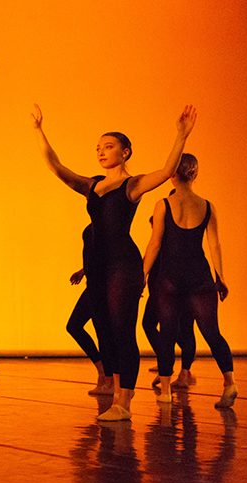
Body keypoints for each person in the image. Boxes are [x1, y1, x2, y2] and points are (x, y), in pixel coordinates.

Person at [31, 104, 196, 421]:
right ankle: (117, 395)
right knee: (104, 330)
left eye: (108, 147)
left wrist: (181, 135)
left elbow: (165, 171)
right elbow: (56, 166)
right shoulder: (92, 185)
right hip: (97, 266)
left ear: (125, 152)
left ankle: (125, 399)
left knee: (122, 330)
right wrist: (39, 130)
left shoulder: (131, 185)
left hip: (123, 264)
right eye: (98, 148)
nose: (101, 152)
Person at [142, 153, 237, 407]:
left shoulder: (163, 204)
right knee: (212, 332)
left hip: (170, 277)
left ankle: (165, 390)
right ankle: (229, 382)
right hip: (200, 276)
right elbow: (214, 245)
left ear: (172, 174)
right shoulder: (207, 206)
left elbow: (155, 244)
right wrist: (220, 277)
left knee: (167, 332)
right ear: (195, 175)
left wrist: (143, 274)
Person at [143, 210, 196, 388]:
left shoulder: (166, 244)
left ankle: (176, 368)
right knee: (178, 330)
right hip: (164, 290)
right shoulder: (167, 243)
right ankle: (171, 364)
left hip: (167, 290)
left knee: (180, 330)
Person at [66, 220, 113, 395]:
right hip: (93, 285)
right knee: (74, 326)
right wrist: (83, 271)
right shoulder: (92, 226)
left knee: (102, 332)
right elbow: (95, 257)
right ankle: (102, 371)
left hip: (102, 286)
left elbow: (110, 257)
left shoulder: (107, 226)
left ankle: (109, 380)